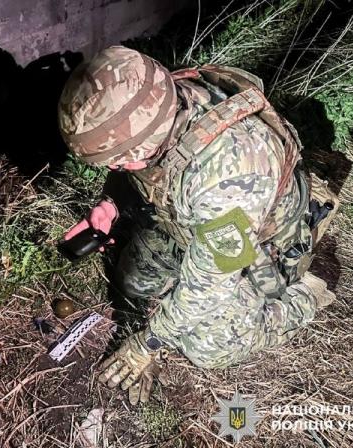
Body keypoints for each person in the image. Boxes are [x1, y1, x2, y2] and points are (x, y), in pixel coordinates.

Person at [58, 46, 338, 405]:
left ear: (140, 147)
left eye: (116, 163)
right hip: (194, 225)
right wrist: (109, 204)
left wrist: (148, 343)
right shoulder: (155, 97)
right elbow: (143, 169)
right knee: (134, 282)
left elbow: (212, 284)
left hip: (258, 251)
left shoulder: (230, 178)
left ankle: (305, 296)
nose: (114, 169)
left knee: (206, 347)